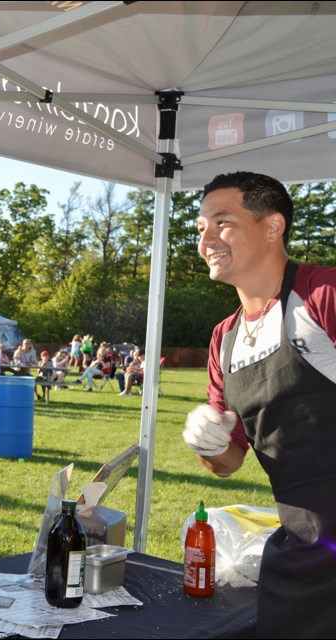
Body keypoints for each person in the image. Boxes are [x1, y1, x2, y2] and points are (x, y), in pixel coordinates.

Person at [183, 171, 336, 637]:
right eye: (199, 228)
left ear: (273, 227)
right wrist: (207, 442)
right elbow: (229, 462)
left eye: (222, 222)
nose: (206, 238)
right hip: (303, 549)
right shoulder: (223, 339)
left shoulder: (323, 294)